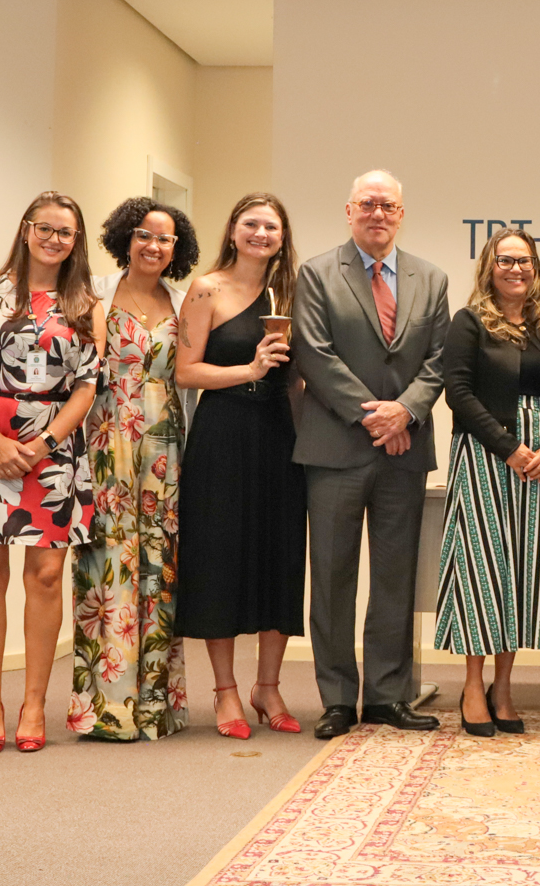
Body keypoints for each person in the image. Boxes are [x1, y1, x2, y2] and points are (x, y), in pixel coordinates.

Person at [293, 170, 452, 740]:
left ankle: (387, 696)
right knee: (332, 578)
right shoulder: (316, 273)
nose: (378, 213)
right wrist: (376, 418)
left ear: (401, 214)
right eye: (367, 204)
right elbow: (314, 353)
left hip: (402, 453)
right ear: (349, 211)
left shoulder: (431, 278)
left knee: (394, 578)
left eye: (388, 205)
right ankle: (337, 698)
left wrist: (405, 411)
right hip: (336, 448)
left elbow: (439, 359)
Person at [0, 191, 105, 753]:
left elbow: (87, 386)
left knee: (44, 577)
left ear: (76, 241)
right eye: (45, 228)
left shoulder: (86, 305)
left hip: (54, 450)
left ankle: (35, 703)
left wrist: (44, 443)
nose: (54, 239)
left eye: (65, 232)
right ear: (25, 230)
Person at [69, 197, 200, 741]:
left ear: (177, 249)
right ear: (125, 237)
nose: (154, 245)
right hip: (106, 436)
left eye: (165, 238)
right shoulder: (93, 293)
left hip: (165, 444)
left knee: (159, 563)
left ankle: (155, 705)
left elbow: (190, 375)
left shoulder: (184, 302)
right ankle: (106, 707)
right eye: (144, 234)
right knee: (106, 560)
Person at [175, 193, 306, 739]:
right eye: (251, 224)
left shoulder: (294, 292)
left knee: (280, 556)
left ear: (282, 236)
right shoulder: (206, 288)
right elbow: (185, 371)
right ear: (232, 231)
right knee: (221, 558)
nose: (260, 234)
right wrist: (249, 370)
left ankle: (267, 687)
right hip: (223, 432)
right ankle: (226, 690)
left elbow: (303, 375)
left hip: (280, 435)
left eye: (271, 227)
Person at [436, 227, 540, 736]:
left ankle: (504, 686)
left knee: (522, 574)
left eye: (524, 261)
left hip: (539, 464)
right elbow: (458, 392)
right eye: (506, 260)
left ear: (536, 269)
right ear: (490, 268)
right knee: (481, 573)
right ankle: (472, 685)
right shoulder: (469, 322)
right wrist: (508, 447)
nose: (516, 269)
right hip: (485, 456)